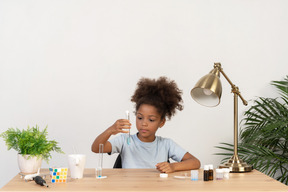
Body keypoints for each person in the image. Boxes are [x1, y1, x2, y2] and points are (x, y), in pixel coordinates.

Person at [91, 76, 200, 173]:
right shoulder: (125, 141)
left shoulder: (166, 144)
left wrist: (173, 167)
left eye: (151, 120)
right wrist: (110, 130)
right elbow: (96, 148)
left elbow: (195, 162)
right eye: (140, 118)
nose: (144, 123)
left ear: (161, 122)